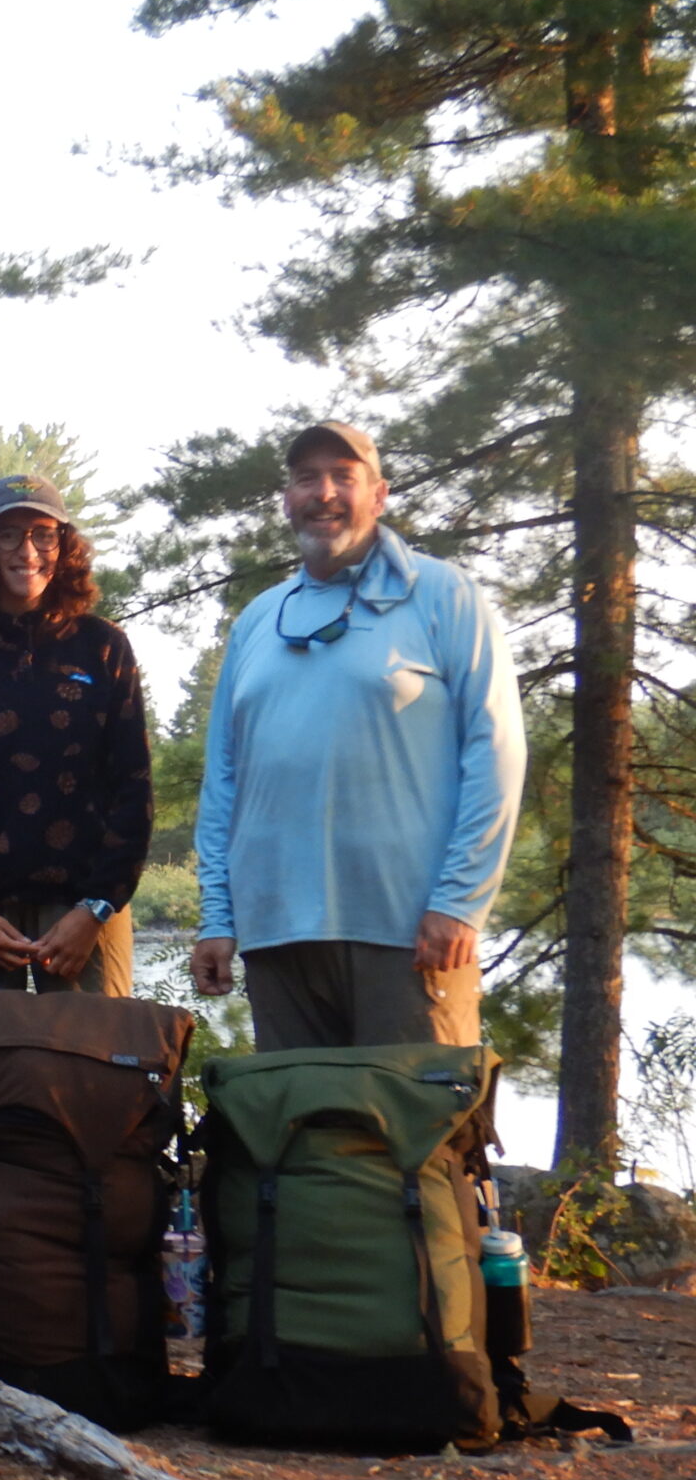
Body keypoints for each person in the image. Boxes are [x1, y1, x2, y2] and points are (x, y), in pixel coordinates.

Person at [192, 422, 524, 1049]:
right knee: (300, 1142)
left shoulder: (444, 596)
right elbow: (224, 780)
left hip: (409, 936)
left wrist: (460, 901)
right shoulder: (259, 620)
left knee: (418, 1139)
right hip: (277, 941)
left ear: (379, 495)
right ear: (286, 497)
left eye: (344, 476)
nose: (325, 493)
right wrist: (218, 915)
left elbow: (496, 750)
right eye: (306, 478)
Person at [0, 473, 153, 996]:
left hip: (87, 909)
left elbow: (133, 789)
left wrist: (96, 908)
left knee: (97, 1067)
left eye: (43, 533)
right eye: (9, 534)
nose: (28, 550)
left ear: (64, 545)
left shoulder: (103, 649)